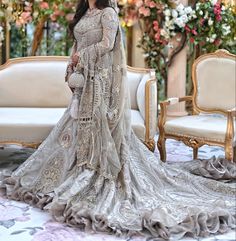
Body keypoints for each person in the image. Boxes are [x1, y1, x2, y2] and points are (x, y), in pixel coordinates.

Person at [0, 0, 235, 240]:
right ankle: (74, 172)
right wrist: (72, 66)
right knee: (74, 128)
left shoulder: (108, 13)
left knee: (97, 129)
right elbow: (76, 42)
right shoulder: (85, 12)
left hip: (100, 81)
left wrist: (82, 56)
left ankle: (96, 173)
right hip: (84, 78)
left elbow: (107, 44)